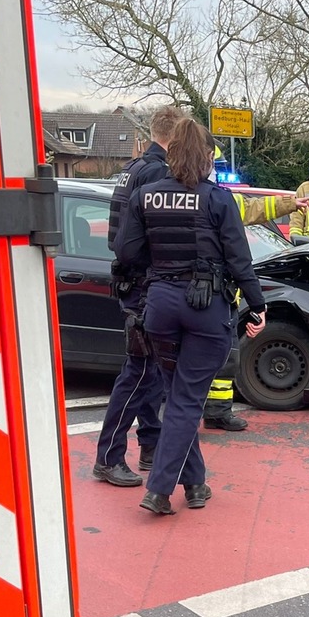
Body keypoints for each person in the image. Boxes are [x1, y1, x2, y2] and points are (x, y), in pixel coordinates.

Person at [115, 118, 268, 515]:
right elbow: (239, 259)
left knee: (179, 396)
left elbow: (127, 252)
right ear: (205, 155)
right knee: (185, 402)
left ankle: (196, 484)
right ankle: (159, 490)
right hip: (205, 310)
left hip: (160, 308)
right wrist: (257, 304)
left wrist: (161, 271)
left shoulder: (145, 195)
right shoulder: (218, 199)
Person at [92, 104, 188, 488]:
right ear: (176, 135)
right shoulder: (157, 173)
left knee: (150, 373)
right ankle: (108, 457)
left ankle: (150, 445)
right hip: (144, 285)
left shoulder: (131, 170)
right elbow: (141, 241)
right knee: (139, 373)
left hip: (133, 284)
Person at [203, 146, 309, 430]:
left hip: (218, 294)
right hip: (204, 294)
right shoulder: (202, 199)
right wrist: (257, 304)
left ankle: (217, 412)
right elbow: (239, 258)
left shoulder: (222, 199)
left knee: (226, 357)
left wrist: (291, 204)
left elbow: (256, 207)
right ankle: (187, 423)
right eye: (216, 165)